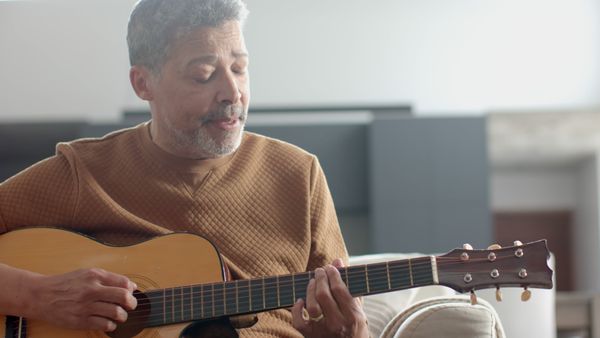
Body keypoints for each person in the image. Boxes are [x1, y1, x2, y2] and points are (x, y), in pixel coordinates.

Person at [0, 0, 370, 337]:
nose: (232, 93)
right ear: (143, 83)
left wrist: (351, 334)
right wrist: (39, 297)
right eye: (203, 75)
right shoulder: (87, 172)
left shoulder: (299, 175)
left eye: (240, 69)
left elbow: (339, 315)